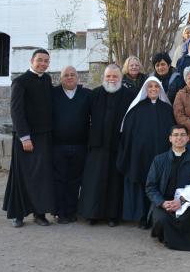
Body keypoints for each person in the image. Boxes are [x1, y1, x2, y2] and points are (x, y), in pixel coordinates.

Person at [3, 49, 55, 227]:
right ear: (32, 61)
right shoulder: (20, 82)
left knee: (41, 177)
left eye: (46, 61)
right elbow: (16, 111)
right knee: (22, 176)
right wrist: (24, 137)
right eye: (40, 60)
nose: (43, 63)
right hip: (26, 139)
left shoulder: (47, 79)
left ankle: (39, 214)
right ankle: (18, 214)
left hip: (44, 137)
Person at [118, 77, 175, 228]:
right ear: (145, 89)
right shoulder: (136, 109)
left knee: (160, 184)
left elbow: (173, 133)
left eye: (156, 87)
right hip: (141, 155)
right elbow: (128, 133)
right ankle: (143, 216)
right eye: (150, 86)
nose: (153, 89)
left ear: (160, 89)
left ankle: (158, 216)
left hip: (161, 155)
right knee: (144, 184)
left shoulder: (167, 109)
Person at [79, 64, 132, 226]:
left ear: (121, 78)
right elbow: (83, 118)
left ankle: (113, 216)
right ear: (104, 78)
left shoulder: (129, 95)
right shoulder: (94, 94)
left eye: (115, 76)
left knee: (114, 183)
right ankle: (92, 214)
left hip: (118, 146)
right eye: (108, 76)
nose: (111, 79)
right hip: (97, 147)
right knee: (94, 182)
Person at [146, 125, 190, 251]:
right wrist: (163, 203)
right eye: (175, 135)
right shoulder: (159, 160)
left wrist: (181, 201)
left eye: (182, 135)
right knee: (162, 220)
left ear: (187, 139)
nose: (179, 138)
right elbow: (150, 187)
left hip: (187, 201)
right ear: (170, 139)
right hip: (165, 202)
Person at [51, 66, 92, 224]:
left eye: (72, 75)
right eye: (66, 75)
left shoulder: (86, 95)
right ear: (61, 78)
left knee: (75, 181)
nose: (69, 77)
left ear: (78, 77)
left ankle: (72, 210)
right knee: (59, 180)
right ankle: (59, 212)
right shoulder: (53, 94)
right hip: (58, 146)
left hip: (79, 146)